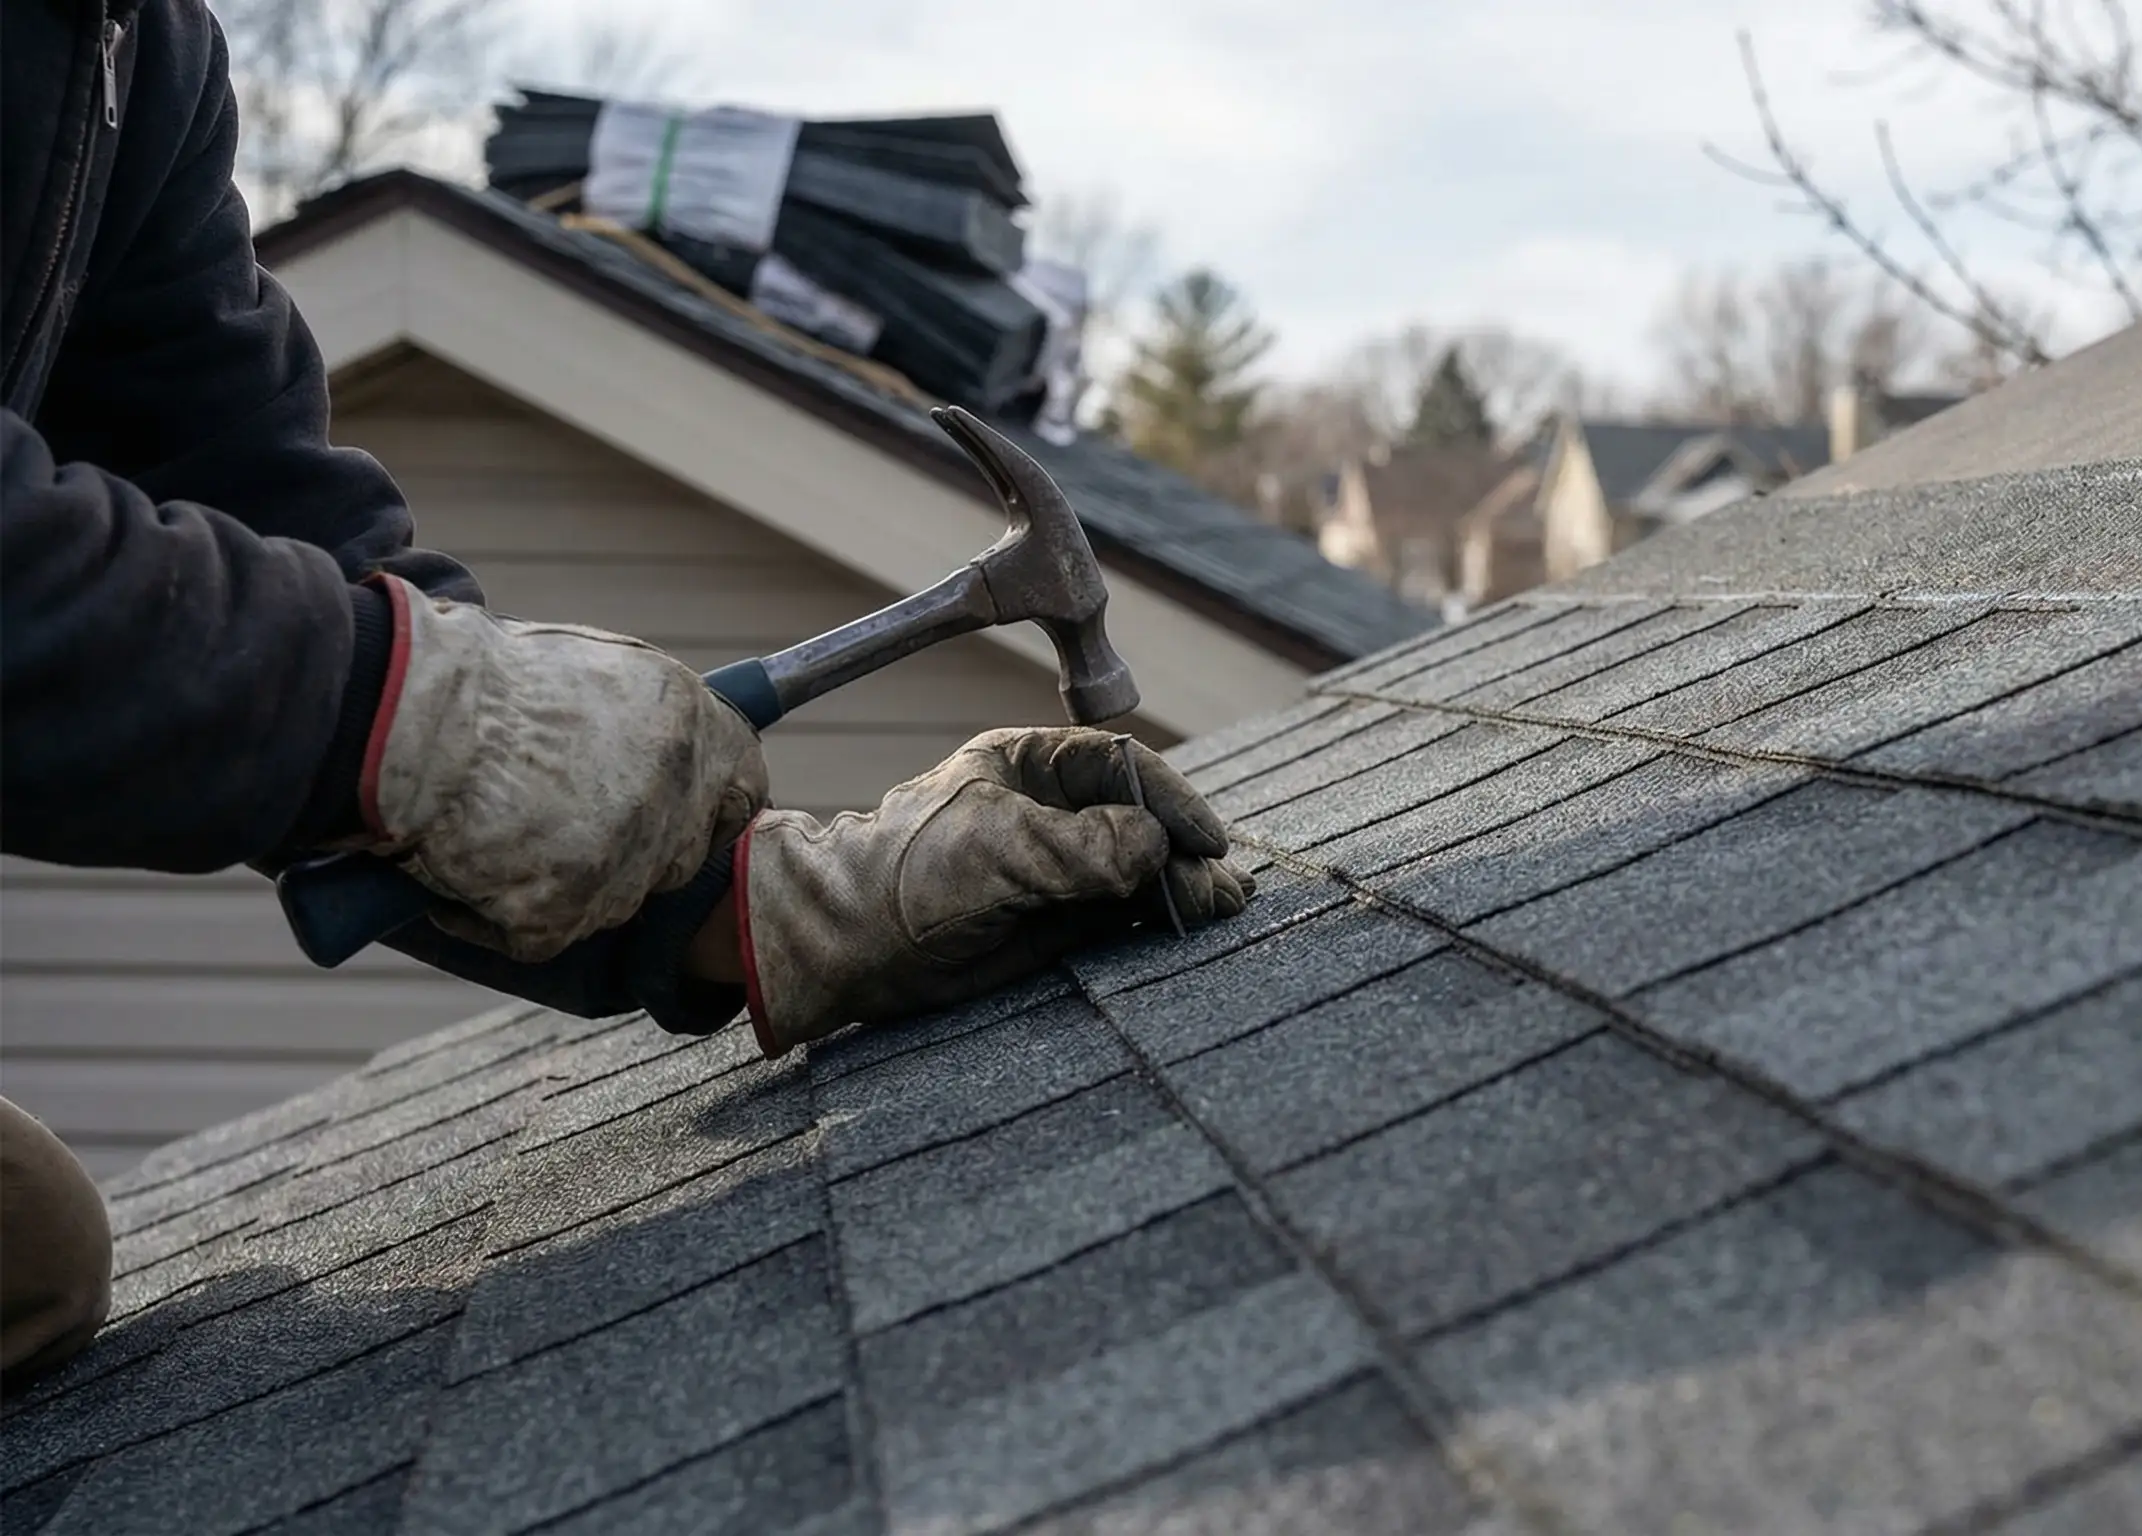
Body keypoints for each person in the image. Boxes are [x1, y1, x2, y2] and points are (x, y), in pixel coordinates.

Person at [0, 0, 1248, 1389]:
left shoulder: (134, 49)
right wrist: (398, 719)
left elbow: (263, 514)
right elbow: (363, 694)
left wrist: (752, 903)